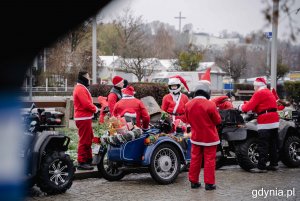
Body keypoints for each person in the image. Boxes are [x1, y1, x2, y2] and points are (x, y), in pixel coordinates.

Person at [238, 77, 279, 173]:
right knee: (273, 143)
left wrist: (240, 107)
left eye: (254, 86)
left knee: (263, 144)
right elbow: (262, 105)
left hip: (265, 120)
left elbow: (248, 107)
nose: (254, 89)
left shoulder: (259, 93)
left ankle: (261, 167)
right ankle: (274, 164)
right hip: (274, 120)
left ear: (257, 86)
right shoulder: (268, 92)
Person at [185, 82, 221, 190]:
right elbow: (218, 120)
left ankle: (193, 182)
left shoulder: (188, 104)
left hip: (196, 137)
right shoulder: (211, 105)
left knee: (195, 159)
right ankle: (209, 184)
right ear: (207, 93)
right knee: (209, 160)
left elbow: (187, 120)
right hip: (210, 137)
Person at [73, 71, 98, 170]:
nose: (90, 78)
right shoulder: (80, 89)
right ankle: (82, 162)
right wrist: (96, 109)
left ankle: (87, 159)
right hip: (83, 118)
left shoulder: (80, 88)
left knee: (88, 138)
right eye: (88, 76)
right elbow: (86, 104)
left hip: (84, 117)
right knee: (84, 140)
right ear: (84, 77)